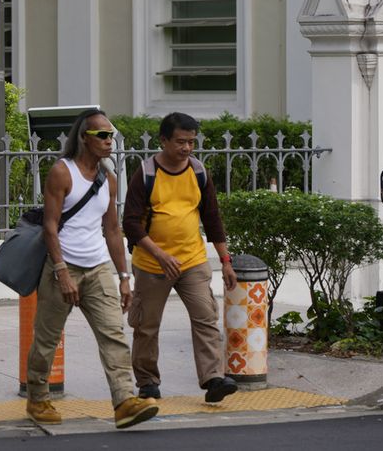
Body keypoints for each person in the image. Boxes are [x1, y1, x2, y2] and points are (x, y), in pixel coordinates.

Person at [25, 109, 159, 429]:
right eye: (102, 135)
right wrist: (60, 271)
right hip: (64, 266)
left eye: (111, 135)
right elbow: (50, 226)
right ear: (84, 138)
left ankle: (124, 401)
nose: (109, 141)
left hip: (97, 267)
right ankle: (38, 398)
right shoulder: (62, 172)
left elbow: (113, 230)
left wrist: (124, 277)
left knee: (113, 334)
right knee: (48, 338)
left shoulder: (108, 179)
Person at [122, 112, 239, 403]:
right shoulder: (146, 173)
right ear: (163, 140)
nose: (186, 148)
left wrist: (225, 261)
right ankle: (148, 382)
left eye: (191, 142)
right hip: (151, 265)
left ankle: (213, 379)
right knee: (146, 326)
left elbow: (212, 218)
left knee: (206, 318)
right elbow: (131, 224)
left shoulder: (198, 172)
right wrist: (160, 255)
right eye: (180, 142)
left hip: (192, 261)